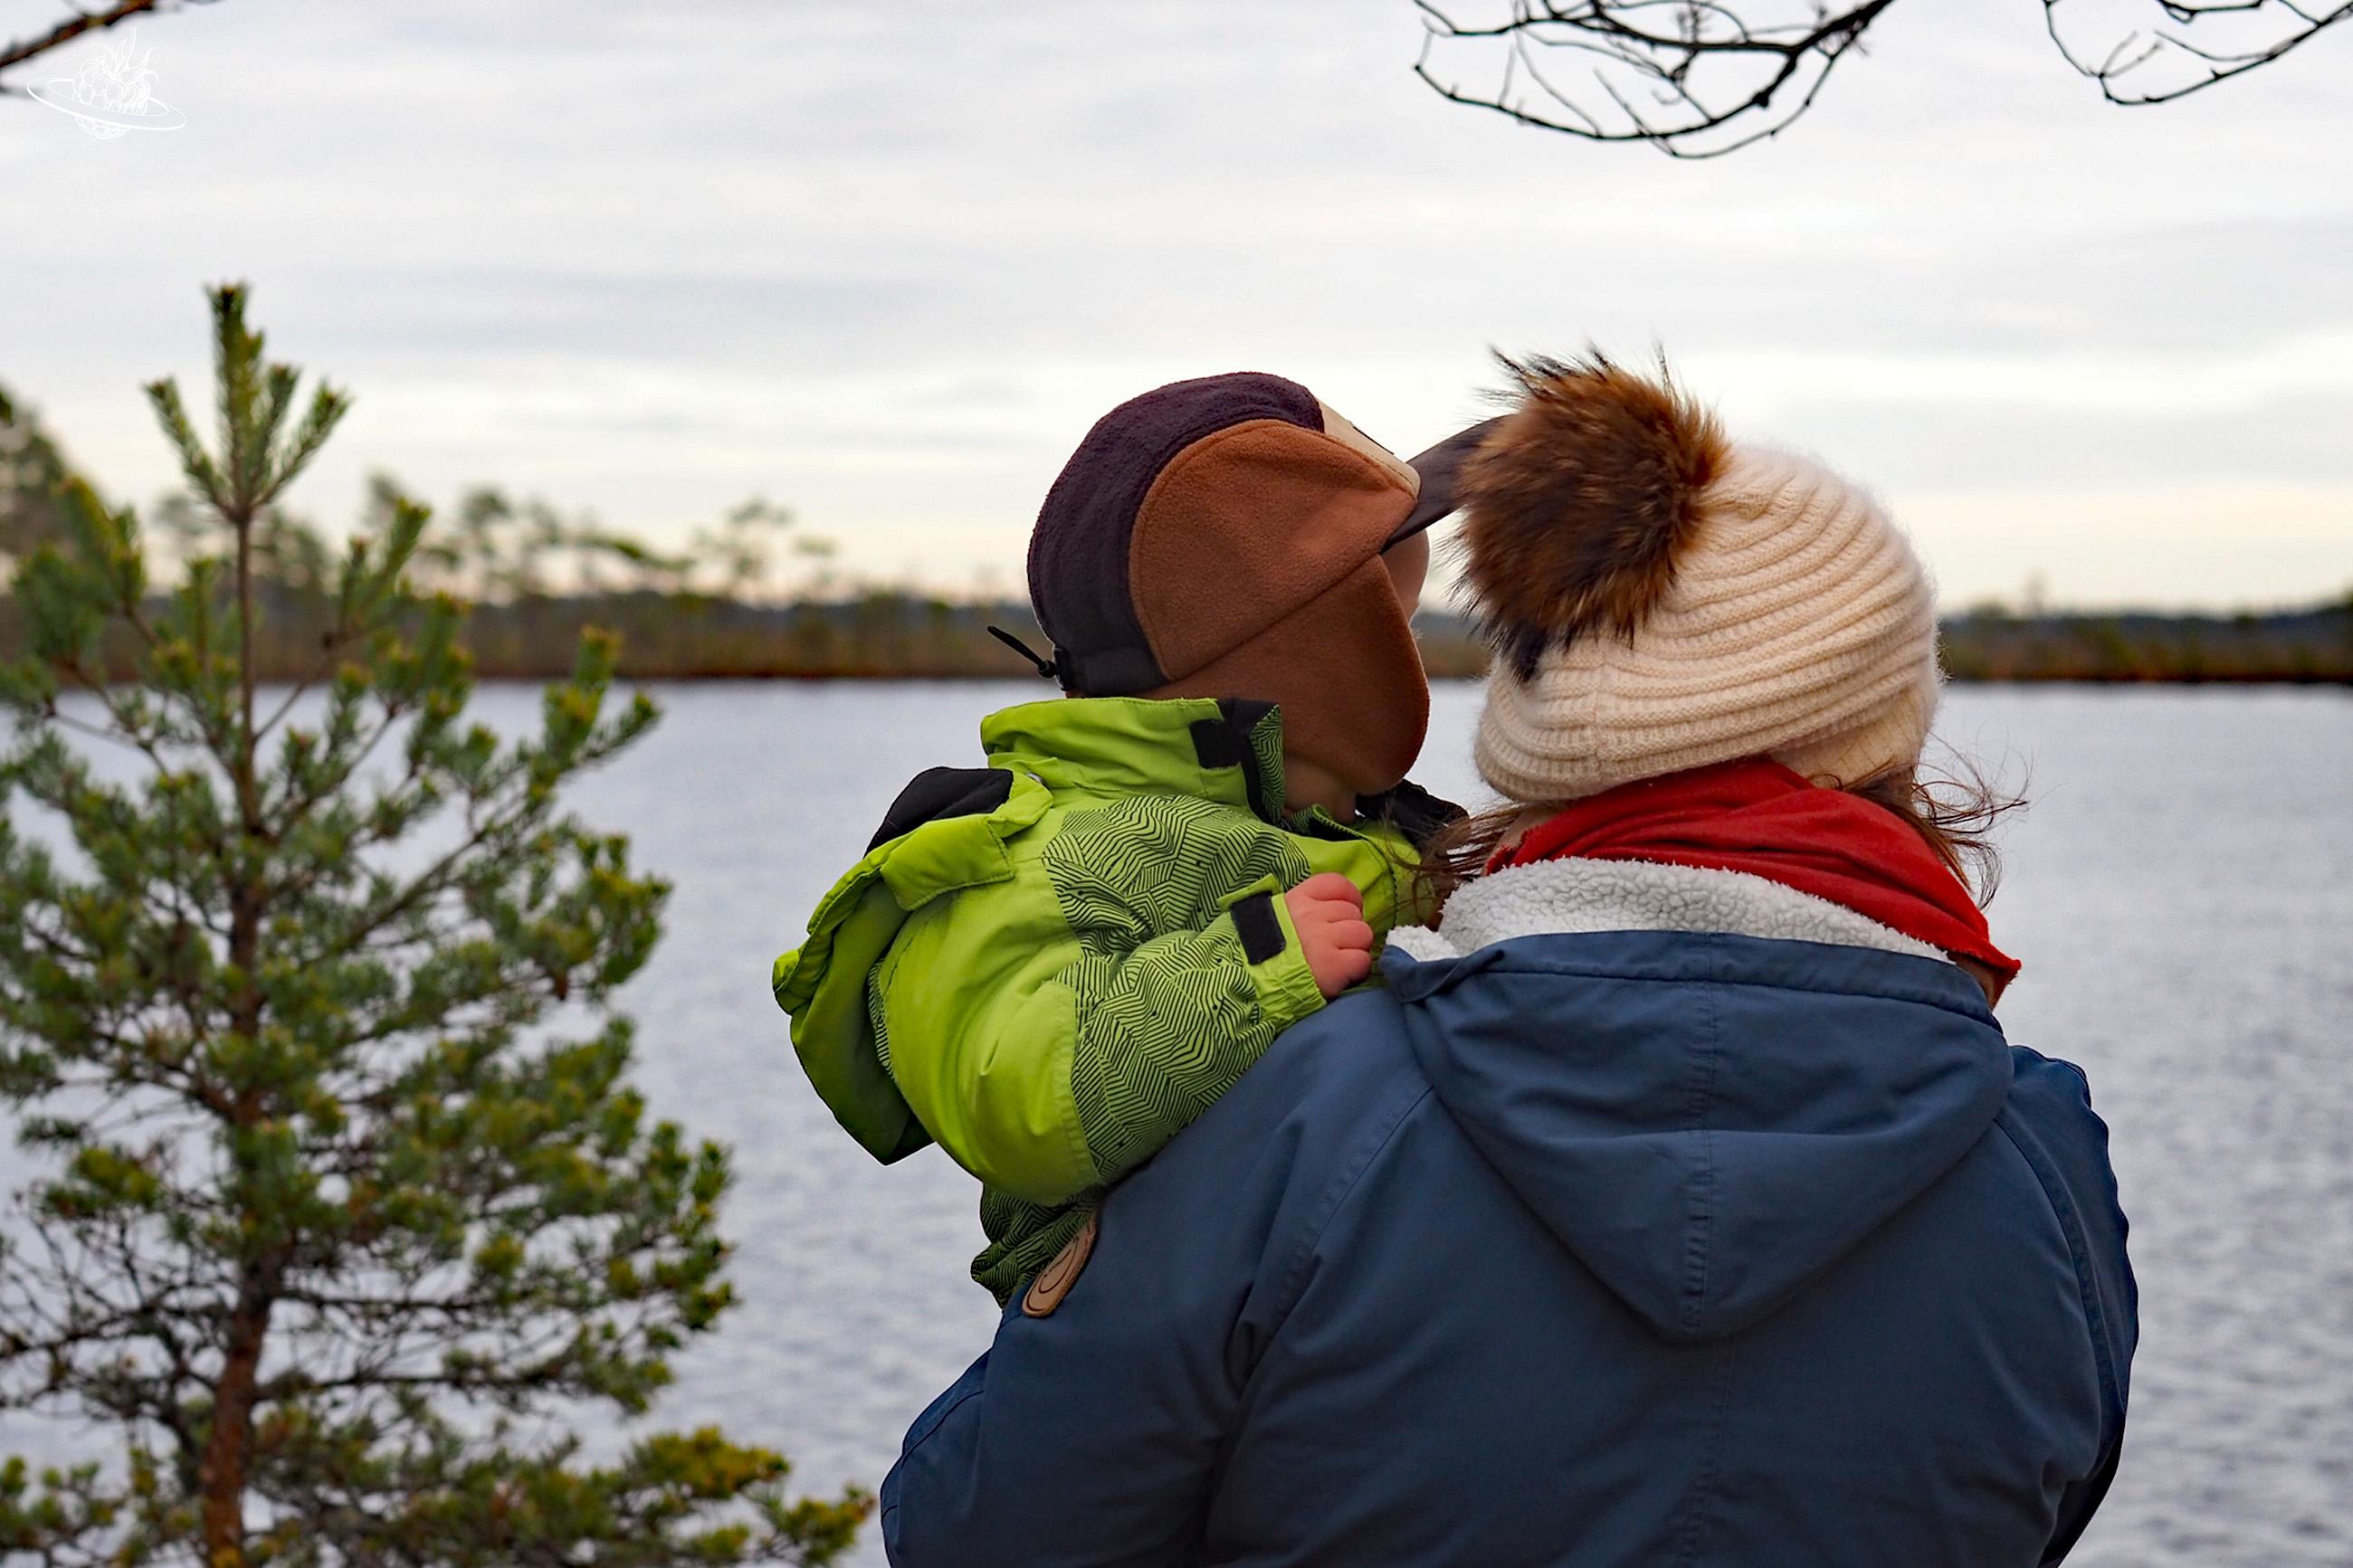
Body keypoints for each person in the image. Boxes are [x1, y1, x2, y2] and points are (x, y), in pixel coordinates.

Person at [878, 355, 2137, 1565]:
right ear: (1883, 747)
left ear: (1558, 727)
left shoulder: (1304, 1111)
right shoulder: (2038, 1156)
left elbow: (980, 1529)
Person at [773, 373, 1477, 1300]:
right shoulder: (1023, 858)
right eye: (1399, 633)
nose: (1415, 661)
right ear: (1311, 651)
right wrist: (1255, 963)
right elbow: (1019, 1100)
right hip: (1144, 1350)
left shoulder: (1361, 828)